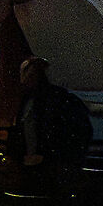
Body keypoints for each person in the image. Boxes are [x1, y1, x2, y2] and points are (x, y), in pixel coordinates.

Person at [11, 56, 92, 191]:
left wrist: (51, 157)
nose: (25, 81)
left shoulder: (58, 99)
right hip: (32, 166)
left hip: (53, 169)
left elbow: (78, 132)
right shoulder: (28, 100)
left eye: (31, 76)